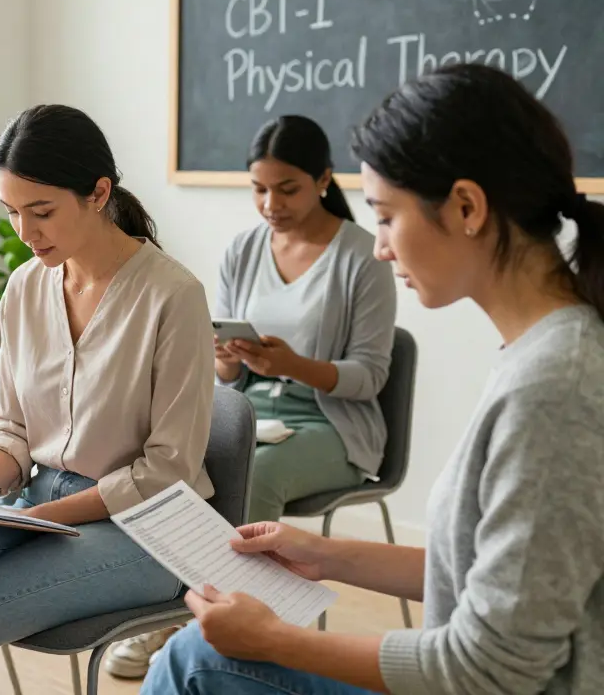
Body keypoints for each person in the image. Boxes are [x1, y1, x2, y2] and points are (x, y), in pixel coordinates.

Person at [145, 63, 604, 694]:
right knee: (194, 652)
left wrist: (276, 639)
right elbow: (488, 574)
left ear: (467, 207)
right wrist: (326, 554)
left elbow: (490, 670)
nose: (382, 246)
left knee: (193, 661)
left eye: (387, 217)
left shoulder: (554, 389)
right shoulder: (543, 355)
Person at [0, 104, 215, 695]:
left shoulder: (173, 297)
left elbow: (166, 473)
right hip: (39, 504)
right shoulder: (26, 287)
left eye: (42, 212)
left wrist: (34, 518)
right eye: (12, 212)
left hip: (147, 529)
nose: (25, 233)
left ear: (98, 192)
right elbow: (11, 427)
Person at [105, 115, 396, 679]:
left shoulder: (363, 255)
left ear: (323, 180)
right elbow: (226, 375)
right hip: (252, 412)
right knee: (169, 460)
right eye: (259, 189)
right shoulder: (243, 249)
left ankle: (218, 635)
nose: (270, 203)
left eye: (287, 189)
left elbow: (371, 377)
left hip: (332, 426)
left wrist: (293, 365)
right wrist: (230, 362)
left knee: (254, 475)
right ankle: (171, 615)